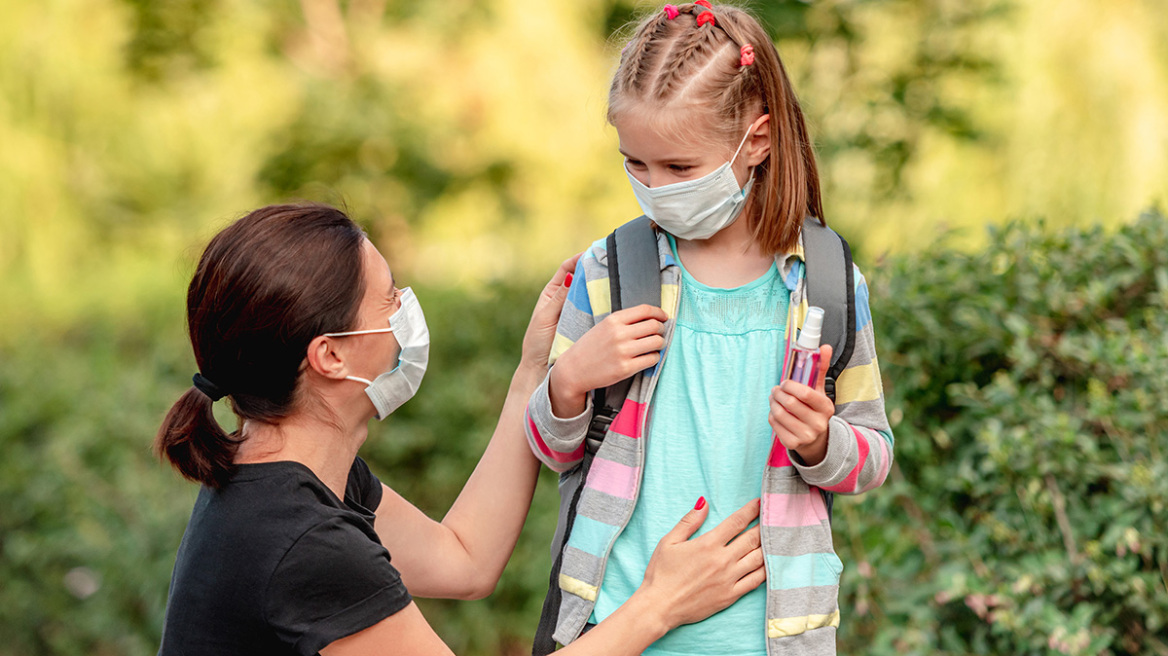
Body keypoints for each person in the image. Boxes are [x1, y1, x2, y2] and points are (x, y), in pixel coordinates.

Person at [154, 203, 766, 656]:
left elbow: (464, 562)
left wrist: (536, 371)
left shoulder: (288, 478)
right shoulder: (301, 541)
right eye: (389, 299)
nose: (407, 310)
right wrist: (660, 605)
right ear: (330, 356)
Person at [524, 3, 895, 655]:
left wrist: (819, 442)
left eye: (679, 168)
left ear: (756, 140)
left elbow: (871, 456)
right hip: (616, 628)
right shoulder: (608, 273)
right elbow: (552, 451)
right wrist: (571, 380)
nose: (653, 187)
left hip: (775, 638)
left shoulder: (828, 286)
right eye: (634, 163)